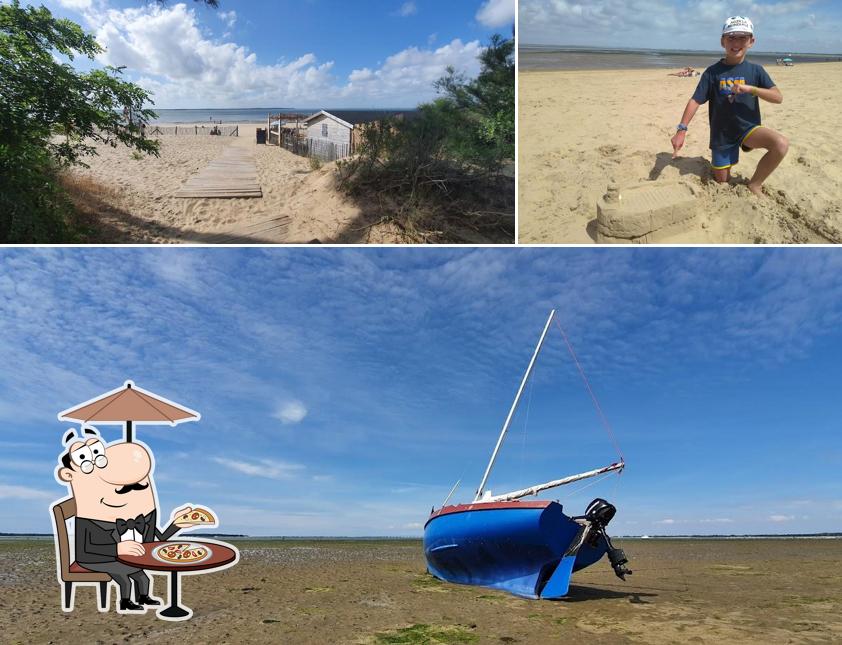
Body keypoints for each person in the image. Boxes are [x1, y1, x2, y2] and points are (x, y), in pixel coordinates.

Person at [55, 428, 200, 613]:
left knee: (143, 577)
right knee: (124, 575)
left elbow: (159, 539)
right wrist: (117, 548)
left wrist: (177, 524)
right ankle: (125, 602)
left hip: (119, 556)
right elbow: (85, 549)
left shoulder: (140, 516)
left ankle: (143, 597)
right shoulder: (88, 520)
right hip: (93, 559)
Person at [670, 16, 788, 196]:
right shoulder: (712, 72)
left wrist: (751, 89)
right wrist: (681, 129)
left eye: (742, 37)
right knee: (722, 180)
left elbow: (777, 97)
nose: (736, 42)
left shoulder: (756, 71)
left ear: (751, 41)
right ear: (722, 41)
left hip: (748, 129)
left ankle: (755, 184)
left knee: (780, 144)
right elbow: (695, 100)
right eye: (731, 37)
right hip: (721, 135)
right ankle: (724, 169)